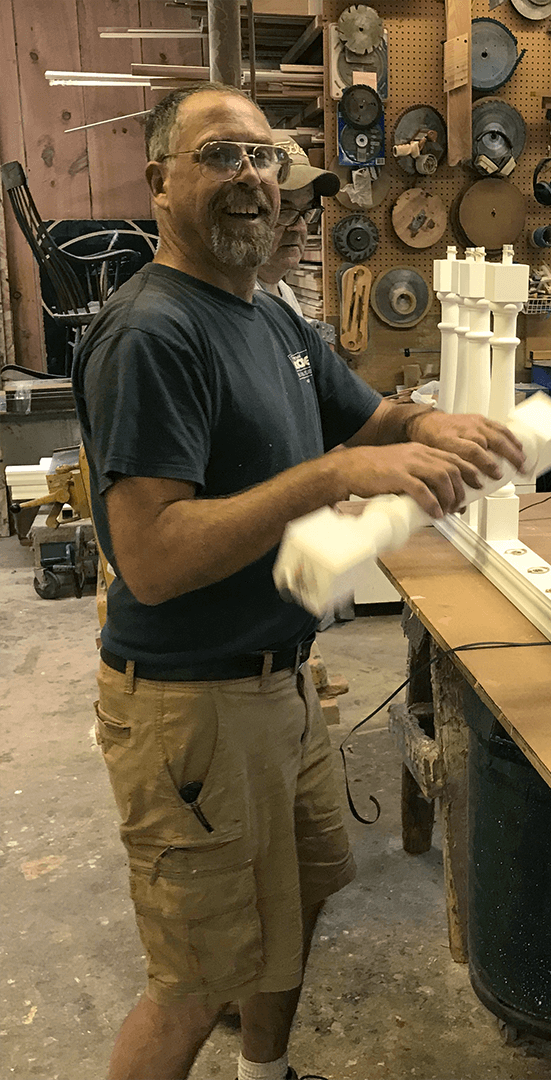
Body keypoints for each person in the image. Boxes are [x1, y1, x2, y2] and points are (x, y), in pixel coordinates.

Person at [71, 81, 524, 1080]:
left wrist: (426, 423)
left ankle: (262, 1074)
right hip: (190, 707)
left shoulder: (266, 314)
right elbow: (150, 557)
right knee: (195, 980)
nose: (253, 180)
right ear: (160, 182)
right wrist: (327, 478)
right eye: (222, 157)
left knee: (301, 902)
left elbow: (364, 416)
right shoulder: (154, 334)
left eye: (265, 159)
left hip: (281, 685)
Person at [255, 137, 333, 319]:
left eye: (306, 211)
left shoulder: (284, 293)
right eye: (284, 210)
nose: (299, 227)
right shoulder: (236, 303)